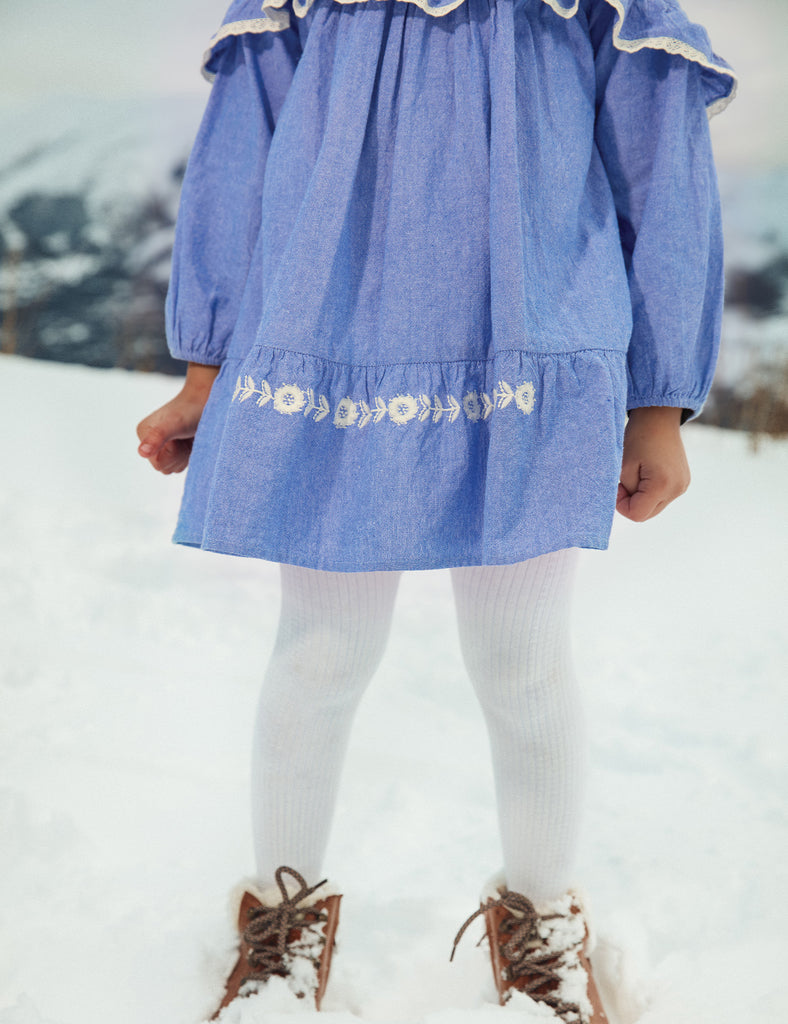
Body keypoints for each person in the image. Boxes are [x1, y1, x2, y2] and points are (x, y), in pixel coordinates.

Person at [136, 0, 735, 1019]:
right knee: (319, 650)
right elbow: (238, 163)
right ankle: (284, 927)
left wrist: (656, 398)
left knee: (520, 658)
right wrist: (206, 364)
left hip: (534, 339)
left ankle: (539, 924)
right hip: (325, 336)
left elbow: (658, 174)